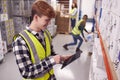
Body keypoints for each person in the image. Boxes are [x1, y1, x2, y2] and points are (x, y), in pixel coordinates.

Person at [12, 0, 70, 80]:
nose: (49, 23)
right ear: (36, 17)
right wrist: (52, 61)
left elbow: (49, 54)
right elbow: (26, 72)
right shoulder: (20, 41)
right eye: (46, 20)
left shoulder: (46, 33)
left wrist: (60, 58)